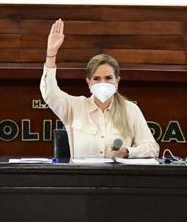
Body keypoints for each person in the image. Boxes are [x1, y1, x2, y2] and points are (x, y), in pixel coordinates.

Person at [40, 18, 159, 159]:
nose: (103, 82)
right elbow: (49, 93)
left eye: (108, 78)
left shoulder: (130, 110)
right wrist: (51, 53)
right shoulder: (73, 107)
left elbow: (152, 148)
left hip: (117, 179)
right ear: (89, 82)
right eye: (96, 79)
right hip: (81, 179)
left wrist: (127, 152)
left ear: (117, 81)